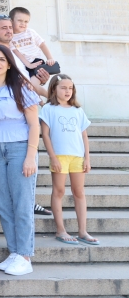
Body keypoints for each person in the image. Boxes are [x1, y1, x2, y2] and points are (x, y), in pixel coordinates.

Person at [0, 45, 41, 276]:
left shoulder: (20, 87)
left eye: (2, 59)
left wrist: (31, 156)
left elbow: (34, 124)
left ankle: (25, 255)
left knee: (22, 203)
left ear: (10, 63)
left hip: (20, 148)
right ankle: (14, 252)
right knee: (2, 203)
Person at [40, 75, 98, 246]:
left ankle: (82, 231)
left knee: (79, 192)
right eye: (63, 87)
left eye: (70, 88)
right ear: (54, 89)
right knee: (58, 192)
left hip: (77, 156)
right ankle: (61, 230)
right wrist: (52, 157)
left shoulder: (77, 110)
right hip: (59, 156)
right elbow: (45, 135)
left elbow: (84, 136)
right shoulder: (49, 109)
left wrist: (87, 157)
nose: (67, 91)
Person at [0, 14, 48, 97]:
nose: (9, 31)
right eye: (4, 28)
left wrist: (40, 79)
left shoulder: (14, 50)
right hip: (14, 100)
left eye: (10, 27)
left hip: (28, 99)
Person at [9, 7, 57, 77]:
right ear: (11, 21)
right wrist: (28, 64)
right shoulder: (10, 37)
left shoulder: (30, 32)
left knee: (35, 83)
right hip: (22, 64)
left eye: (26, 21)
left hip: (36, 62)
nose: (23, 23)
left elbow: (42, 45)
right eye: (20, 20)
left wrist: (50, 58)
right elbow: (17, 53)